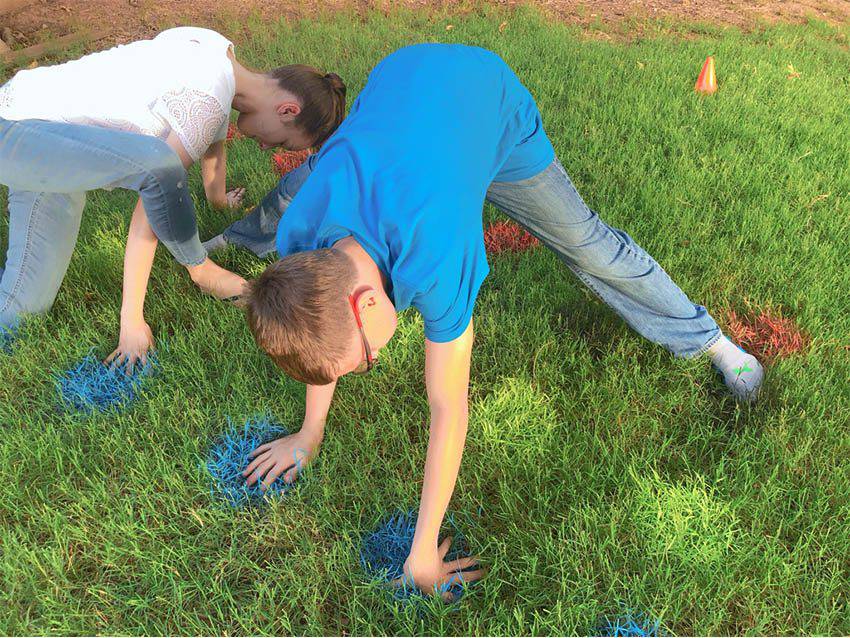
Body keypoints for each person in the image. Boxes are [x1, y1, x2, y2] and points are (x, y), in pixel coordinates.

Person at [219, 43, 763, 598]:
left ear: (366, 303)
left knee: (588, 245)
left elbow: (448, 406)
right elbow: (324, 328)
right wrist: (309, 434)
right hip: (405, 89)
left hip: (483, 99)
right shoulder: (299, 242)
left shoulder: (434, 252)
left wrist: (422, 551)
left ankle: (711, 340)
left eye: (365, 359)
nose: (374, 362)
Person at [0, 26, 346, 369]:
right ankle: (201, 270)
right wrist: (131, 321)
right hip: (19, 131)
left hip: (39, 123)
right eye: (284, 141)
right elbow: (151, 204)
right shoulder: (209, 101)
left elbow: (213, 141)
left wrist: (217, 198)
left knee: (24, 307)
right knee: (160, 170)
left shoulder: (220, 54)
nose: (267, 147)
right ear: (288, 110)